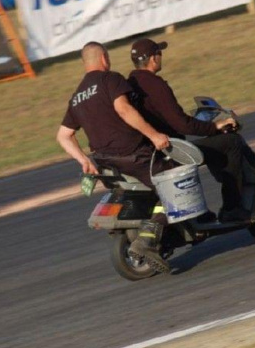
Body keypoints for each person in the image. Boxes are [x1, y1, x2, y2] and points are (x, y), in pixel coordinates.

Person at [56, 41, 173, 273]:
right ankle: (147, 240)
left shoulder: (77, 97)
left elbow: (63, 136)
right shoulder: (110, 79)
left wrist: (84, 160)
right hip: (132, 154)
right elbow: (124, 110)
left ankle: (154, 230)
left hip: (104, 161)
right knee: (175, 187)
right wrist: (155, 135)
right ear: (104, 59)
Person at [127, 38, 255, 222]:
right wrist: (214, 126)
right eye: (160, 53)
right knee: (231, 142)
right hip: (170, 150)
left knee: (209, 145)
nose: (161, 57)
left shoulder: (130, 85)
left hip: (149, 152)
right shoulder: (155, 85)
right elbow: (182, 124)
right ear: (153, 59)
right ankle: (232, 207)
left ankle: (201, 212)